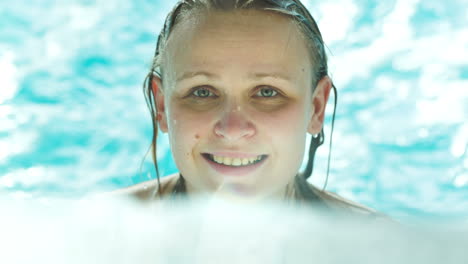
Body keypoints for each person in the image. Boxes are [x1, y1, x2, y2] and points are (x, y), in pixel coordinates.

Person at [117, 0, 385, 219]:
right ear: (162, 105)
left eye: (267, 92)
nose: (232, 129)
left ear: (316, 108)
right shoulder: (96, 236)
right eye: (202, 92)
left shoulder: (383, 249)